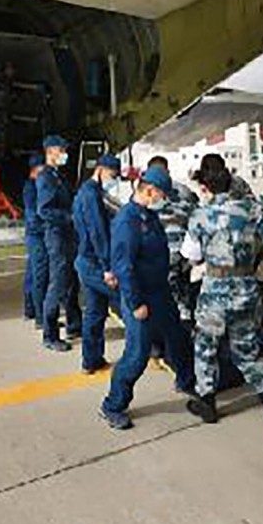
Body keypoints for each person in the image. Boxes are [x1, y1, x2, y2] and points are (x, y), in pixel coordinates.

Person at [182, 157, 263, 447]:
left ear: (204, 185)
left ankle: (207, 402)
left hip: (215, 293)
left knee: (205, 346)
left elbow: (191, 256)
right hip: (246, 290)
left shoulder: (200, 215)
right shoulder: (252, 209)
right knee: (247, 352)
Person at [100, 166, 197, 430]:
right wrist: (135, 304)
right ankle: (113, 405)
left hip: (160, 291)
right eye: (163, 194)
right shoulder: (127, 220)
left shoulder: (149, 216)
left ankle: (187, 381)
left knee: (177, 338)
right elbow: (124, 266)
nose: (165, 199)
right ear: (149, 190)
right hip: (140, 297)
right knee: (137, 355)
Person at [73, 154, 121, 374]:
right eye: (113, 175)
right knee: (128, 300)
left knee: (95, 313)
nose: (114, 179)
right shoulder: (91, 195)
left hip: (85, 260)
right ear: (100, 170)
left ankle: (91, 361)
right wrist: (108, 268)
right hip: (95, 263)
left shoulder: (88, 191)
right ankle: (150, 349)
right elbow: (98, 233)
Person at [37, 135, 82, 352]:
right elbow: (44, 210)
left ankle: (74, 325)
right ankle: (50, 334)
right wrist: (69, 217)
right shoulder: (46, 177)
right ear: (50, 151)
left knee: (71, 282)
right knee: (58, 285)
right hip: (57, 236)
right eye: (61, 149)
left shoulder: (58, 176)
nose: (65, 153)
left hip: (66, 235)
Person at [146, 156, 200, 331]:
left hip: (161, 256)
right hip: (180, 254)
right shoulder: (184, 191)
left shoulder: (147, 192)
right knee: (181, 296)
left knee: (161, 297)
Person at [23, 153, 46, 328]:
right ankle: (41, 317)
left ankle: (30, 310)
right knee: (40, 275)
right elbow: (34, 216)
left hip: (34, 234)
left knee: (32, 273)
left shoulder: (33, 186)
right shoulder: (32, 188)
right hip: (37, 236)